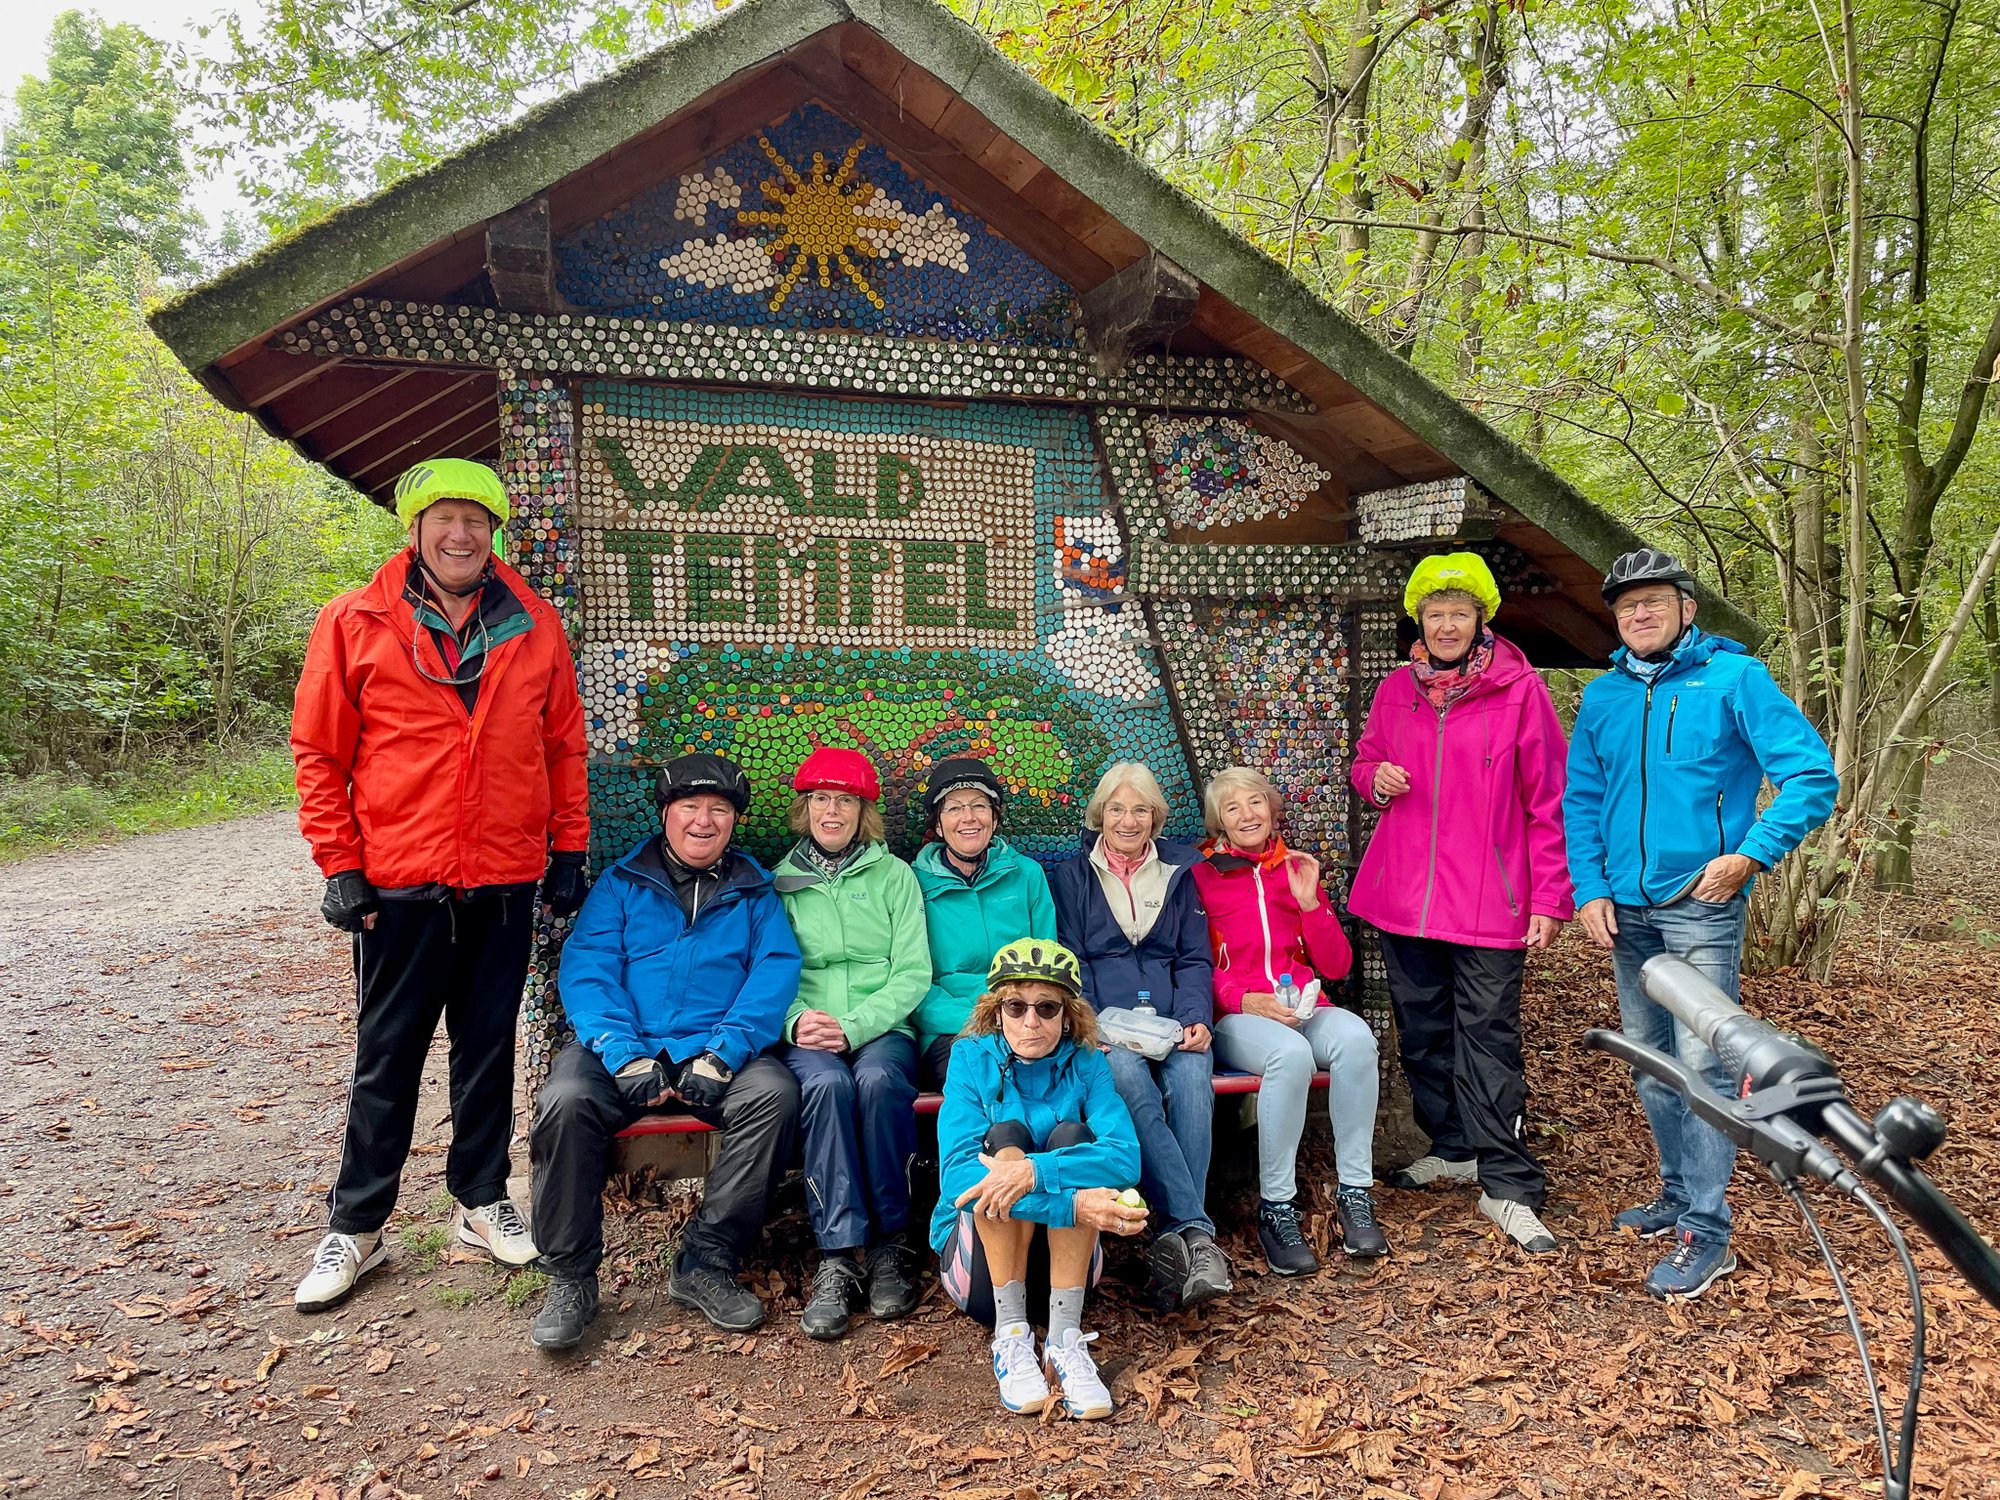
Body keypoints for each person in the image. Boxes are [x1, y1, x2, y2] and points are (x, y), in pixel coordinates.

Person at [290, 457, 589, 1313]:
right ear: (414, 529)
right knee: (386, 1057)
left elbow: (562, 746)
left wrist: (566, 849)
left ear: (495, 533)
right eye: (443, 518)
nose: (460, 534)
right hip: (401, 881)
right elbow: (318, 752)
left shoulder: (533, 624)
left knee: (487, 1048)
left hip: (502, 876)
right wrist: (339, 864)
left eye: (476, 520)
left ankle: (479, 1198)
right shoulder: (355, 621)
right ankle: (357, 1224)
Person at [1566, 549, 1837, 1299]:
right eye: (1626, 607)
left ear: (1688, 608)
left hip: (1702, 905)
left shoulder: (1735, 680)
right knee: (1653, 1064)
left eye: (1654, 601)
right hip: (1626, 909)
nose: (1639, 615)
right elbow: (1582, 800)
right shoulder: (1604, 697)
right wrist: (1589, 888)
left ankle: (1708, 1232)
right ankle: (1679, 1193)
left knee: (1707, 1067)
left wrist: (1750, 855)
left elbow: (1811, 775)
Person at [525, 755, 802, 1349]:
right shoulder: (622, 883)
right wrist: (624, 1055)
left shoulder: (755, 889)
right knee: (566, 1101)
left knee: (774, 1095)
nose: (703, 822)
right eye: (690, 808)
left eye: (719, 811)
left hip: (713, 1049)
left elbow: (773, 974)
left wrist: (723, 1055)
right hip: (622, 1048)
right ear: (666, 814)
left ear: (734, 822)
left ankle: (707, 1258)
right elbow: (589, 971)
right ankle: (570, 1275)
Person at [1349, 553, 1574, 1255]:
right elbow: (1365, 762)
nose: (1446, 625)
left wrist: (1549, 896)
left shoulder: (1520, 690)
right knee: (1420, 1031)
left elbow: (1550, 799)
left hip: (1489, 900)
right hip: (1404, 896)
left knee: (1489, 1041)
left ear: (1482, 619)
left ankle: (1508, 1184)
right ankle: (1451, 1145)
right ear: (1418, 620)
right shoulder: (1396, 688)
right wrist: (1374, 778)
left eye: (1459, 612)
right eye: (1434, 613)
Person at [931, 939, 1145, 1420]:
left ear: (1067, 1015)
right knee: (1002, 1142)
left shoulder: (1087, 1062)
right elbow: (958, 1180)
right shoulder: (969, 1058)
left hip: (1064, 1268)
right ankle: (1010, 1335)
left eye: (1047, 1007)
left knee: (1073, 1137)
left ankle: (1065, 1341)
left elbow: (1125, 1157)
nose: (1031, 1021)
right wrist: (1071, 1205)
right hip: (984, 1275)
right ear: (997, 1010)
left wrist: (1035, 1171)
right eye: (1016, 1006)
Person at [1051, 762, 1230, 1311]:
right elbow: (1071, 961)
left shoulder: (1180, 872)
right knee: (1129, 1081)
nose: (1128, 821)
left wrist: (1198, 1015)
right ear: (1099, 814)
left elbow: (1195, 957)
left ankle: (1181, 1236)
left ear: (1156, 817)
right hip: (1106, 1025)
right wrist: (1090, 1025)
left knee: (1195, 1079)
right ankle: (1195, 1232)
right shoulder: (1071, 877)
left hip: (1175, 1020)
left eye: (1140, 809)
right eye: (1117, 809)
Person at [1193, 767, 1384, 1275]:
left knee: (1358, 1040)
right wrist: (1243, 998)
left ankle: (1355, 1192)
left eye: (1254, 802)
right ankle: (1277, 1206)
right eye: (1232, 808)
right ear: (1219, 823)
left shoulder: (1295, 869)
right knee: (1290, 1054)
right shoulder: (1199, 875)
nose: (1246, 815)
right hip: (1238, 1016)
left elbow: (1338, 965)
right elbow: (1190, 962)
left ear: (1272, 810)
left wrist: (1309, 904)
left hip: (1302, 1004)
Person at [772, 746, 931, 1339]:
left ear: (863, 812)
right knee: (827, 1084)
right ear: (804, 807)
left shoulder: (895, 876)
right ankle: (838, 1254)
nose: (831, 811)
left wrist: (857, 1025)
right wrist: (795, 1021)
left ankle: (891, 1245)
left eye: (844, 800)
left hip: (881, 1026)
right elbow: (766, 969)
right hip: (810, 1028)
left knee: (880, 1079)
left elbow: (913, 971)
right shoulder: (781, 881)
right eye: (820, 799)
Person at [911, 757, 1058, 1086]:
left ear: (994, 817)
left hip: (1026, 1020)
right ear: (937, 824)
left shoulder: (1027, 875)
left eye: (979, 805)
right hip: (950, 1029)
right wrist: (980, 1019)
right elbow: (912, 981)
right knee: (984, 1074)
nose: (968, 818)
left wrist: (1018, 1015)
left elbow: (1048, 963)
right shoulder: (913, 884)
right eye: (953, 808)